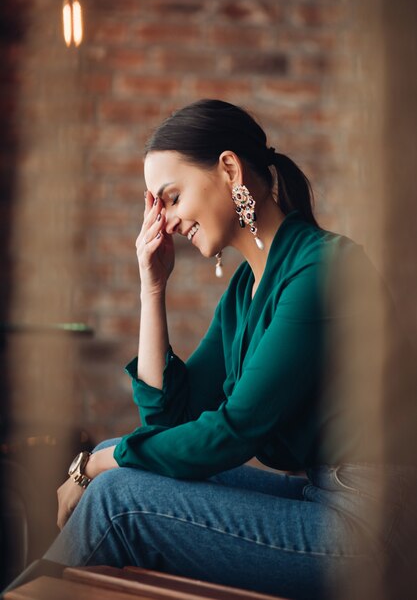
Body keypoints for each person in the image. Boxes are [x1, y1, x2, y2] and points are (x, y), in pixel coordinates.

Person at [44, 100, 415, 600]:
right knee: (122, 458)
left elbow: (234, 431)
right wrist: (151, 289)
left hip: (374, 525)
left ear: (228, 169)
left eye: (170, 198)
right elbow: (167, 422)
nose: (166, 221)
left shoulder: (324, 270)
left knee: (116, 495)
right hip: (324, 495)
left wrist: (91, 464)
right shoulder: (246, 289)